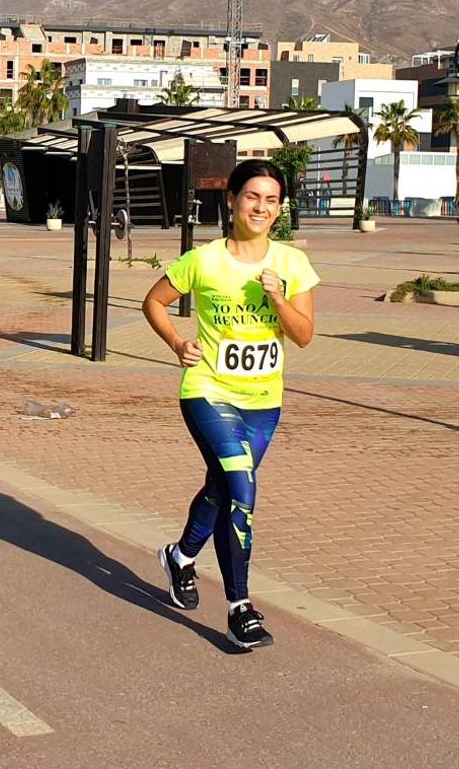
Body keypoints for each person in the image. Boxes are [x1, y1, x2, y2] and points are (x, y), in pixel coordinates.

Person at [142, 159, 319, 649]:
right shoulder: (202, 260)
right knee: (242, 490)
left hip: (264, 401)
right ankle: (240, 608)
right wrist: (178, 344)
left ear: (280, 208)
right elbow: (153, 301)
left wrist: (281, 299)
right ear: (232, 200)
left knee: (222, 489)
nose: (261, 207)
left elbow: (302, 336)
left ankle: (179, 557)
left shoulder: (292, 264)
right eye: (252, 197)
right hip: (208, 390)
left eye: (271, 200)